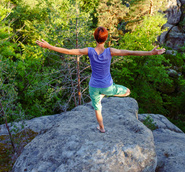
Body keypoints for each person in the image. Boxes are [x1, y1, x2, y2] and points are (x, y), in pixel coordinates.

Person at [36, 26, 165, 133]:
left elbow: (69, 51)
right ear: (106, 38)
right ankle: (116, 93)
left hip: (94, 86)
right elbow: (130, 52)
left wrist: (49, 46)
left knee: (97, 108)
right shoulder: (110, 51)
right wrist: (150, 52)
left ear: (94, 38)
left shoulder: (90, 51)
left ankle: (102, 128)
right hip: (108, 86)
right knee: (127, 91)